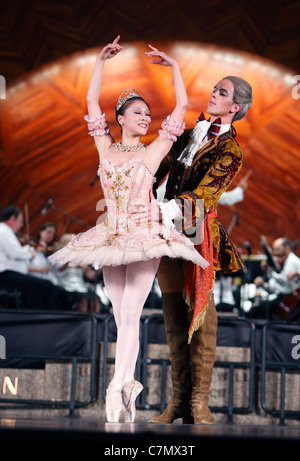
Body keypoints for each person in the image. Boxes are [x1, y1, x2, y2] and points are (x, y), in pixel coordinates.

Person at [49, 36, 208, 423]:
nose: (144, 118)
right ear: (120, 118)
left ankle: (114, 391)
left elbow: (182, 107)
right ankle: (127, 384)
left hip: (142, 236)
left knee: (131, 314)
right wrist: (100, 62)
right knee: (120, 317)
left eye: (147, 115)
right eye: (137, 113)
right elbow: (89, 106)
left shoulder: (152, 151)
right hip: (109, 237)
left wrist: (173, 67)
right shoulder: (105, 148)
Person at [131, 75, 252, 425]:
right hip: (167, 231)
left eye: (222, 93)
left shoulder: (231, 150)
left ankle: (200, 403)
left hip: (198, 235)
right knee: (173, 317)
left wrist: (163, 208)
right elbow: (156, 168)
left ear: (235, 108)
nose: (214, 94)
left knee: (200, 320)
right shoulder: (191, 133)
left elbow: (206, 194)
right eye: (215, 89)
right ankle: (178, 402)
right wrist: (131, 182)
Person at [0, 206, 73, 311]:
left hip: (8, 273)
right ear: (12, 219)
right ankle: (32, 316)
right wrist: (31, 254)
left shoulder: (5, 231)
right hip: (4, 274)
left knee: (50, 287)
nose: (21, 225)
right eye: (21, 221)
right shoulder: (4, 231)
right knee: (40, 285)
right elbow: (16, 254)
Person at [250, 237, 300, 319]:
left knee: (257, 311)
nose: (275, 253)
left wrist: (271, 271)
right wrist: (264, 282)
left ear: (287, 247)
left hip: (287, 298)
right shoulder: (286, 261)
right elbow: (276, 285)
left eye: (277, 249)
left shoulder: (292, 260)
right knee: (258, 309)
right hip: (281, 297)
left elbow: (284, 281)